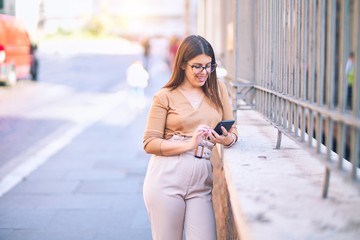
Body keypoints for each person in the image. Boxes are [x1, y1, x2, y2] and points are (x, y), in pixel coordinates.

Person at [142, 35, 238, 240]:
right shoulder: (165, 95)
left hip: (201, 181)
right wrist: (189, 143)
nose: (204, 72)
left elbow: (233, 130)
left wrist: (227, 140)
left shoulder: (218, 89)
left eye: (208, 66)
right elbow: (149, 143)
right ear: (183, 64)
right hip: (166, 179)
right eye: (197, 66)